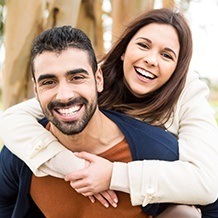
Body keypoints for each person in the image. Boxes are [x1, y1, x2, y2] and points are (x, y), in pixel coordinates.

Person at [0, 8, 218, 216]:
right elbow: (13, 118)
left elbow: (206, 183)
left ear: (178, 69)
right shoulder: (88, 78)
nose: (151, 60)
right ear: (123, 51)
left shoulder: (188, 96)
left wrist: (113, 175)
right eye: (143, 45)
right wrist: (77, 169)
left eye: (167, 55)